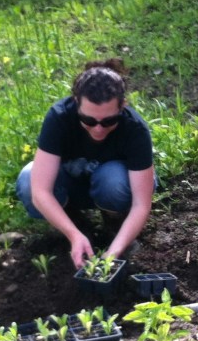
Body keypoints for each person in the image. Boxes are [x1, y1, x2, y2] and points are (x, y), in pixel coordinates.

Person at [15, 59, 156, 268]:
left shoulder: (135, 130)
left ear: (123, 106)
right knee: (28, 179)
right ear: (75, 103)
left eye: (108, 121)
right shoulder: (59, 118)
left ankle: (115, 225)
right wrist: (73, 235)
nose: (98, 129)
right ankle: (76, 226)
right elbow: (40, 192)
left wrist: (114, 251)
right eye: (88, 120)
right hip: (71, 185)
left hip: (111, 187)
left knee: (114, 180)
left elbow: (141, 205)